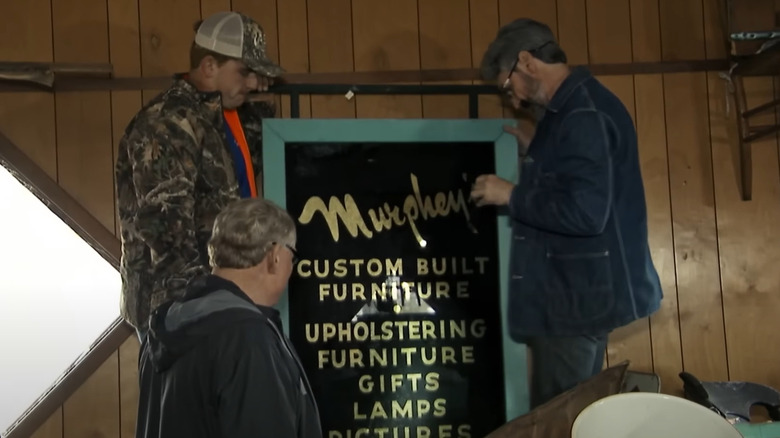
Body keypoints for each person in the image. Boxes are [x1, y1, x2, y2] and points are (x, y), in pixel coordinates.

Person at [472, 18, 663, 409]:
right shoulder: (578, 110)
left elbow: (585, 213)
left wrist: (511, 194)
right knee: (578, 413)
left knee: (562, 419)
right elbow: (579, 186)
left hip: (573, 302)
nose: (515, 101)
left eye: (509, 87)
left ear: (526, 62)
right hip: (581, 298)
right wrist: (539, 154)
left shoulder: (582, 117)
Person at [114, 11, 284, 340]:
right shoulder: (169, 122)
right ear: (209, 67)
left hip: (217, 305)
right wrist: (199, 311)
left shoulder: (217, 117)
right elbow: (166, 228)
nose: (251, 82)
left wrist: (259, 99)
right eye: (245, 72)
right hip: (181, 315)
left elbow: (245, 170)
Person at [135, 197, 322, 438]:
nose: (292, 267)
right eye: (292, 256)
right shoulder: (249, 340)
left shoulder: (160, 331)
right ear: (275, 255)